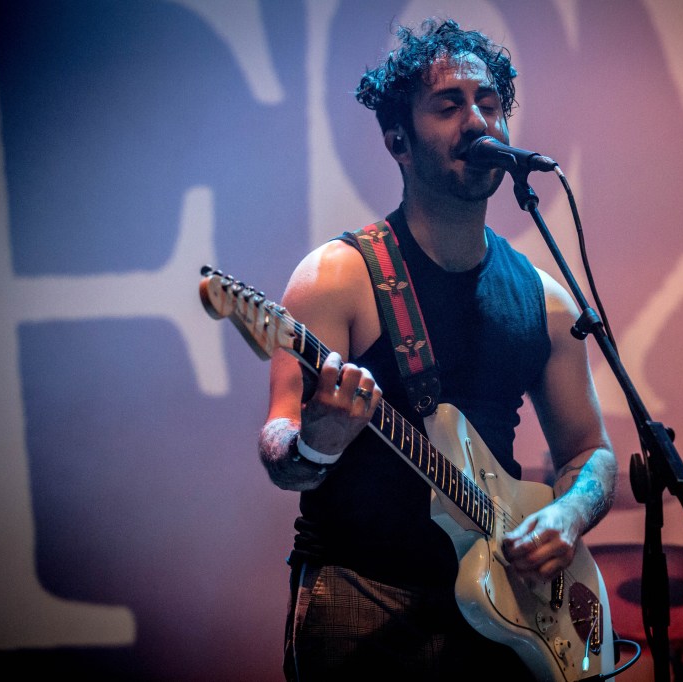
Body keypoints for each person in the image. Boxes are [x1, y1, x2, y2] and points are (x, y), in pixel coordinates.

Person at [257, 18, 618, 681]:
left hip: (506, 607)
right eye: (448, 106)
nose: (476, 121)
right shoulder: (338, 277)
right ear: (398, 140)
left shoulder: (544, 299)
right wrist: (319, 440)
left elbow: (589, 451)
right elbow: (282, 454)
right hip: (364, 600)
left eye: (489, 104)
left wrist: (567, 516)